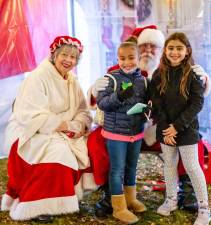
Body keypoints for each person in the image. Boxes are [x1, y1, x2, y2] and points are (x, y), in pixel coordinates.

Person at [88, 25, 211, 217]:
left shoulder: (175, 71)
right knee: (97, 140)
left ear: (161, 50)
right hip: (123, 128)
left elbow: (195, 99)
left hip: (158, 129)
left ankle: (186, 191)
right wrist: (95, 88)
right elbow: (100, 99)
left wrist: (204, 79)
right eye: (143, 46)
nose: (147, 51)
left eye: (152, 47)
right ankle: (110, 191)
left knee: (195, 144)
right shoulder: (119, 69)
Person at [0, 36, 97, 222]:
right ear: (54, 55)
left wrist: (77, 126)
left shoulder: (72, 79)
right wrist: (65, 126)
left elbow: (83, 110)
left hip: (63, 130)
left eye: (73, 57)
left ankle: (61, 199)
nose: (69, 60)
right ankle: (37, 204)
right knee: (57, 153)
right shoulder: (38, 77)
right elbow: (30, 115)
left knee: (89, 145)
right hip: (32, 130)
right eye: (64, 55)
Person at [150, 32, 211, 225]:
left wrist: (177, 127)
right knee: (169, 164)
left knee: (192, 166)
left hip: (186, 129)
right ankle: (171, 199)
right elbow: (156, 103)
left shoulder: (193, 73)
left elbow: (197, 103)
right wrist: (166, 128)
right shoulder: (158, 73)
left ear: (187, 51)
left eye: (179, 48)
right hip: (165, 128)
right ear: (165, 50)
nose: (174, 52)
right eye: (171, 48)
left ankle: (204, 208)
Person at [96, 38, 148, 224]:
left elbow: (147, 103)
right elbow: (102, 103)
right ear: (117, 58)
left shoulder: (143, 80)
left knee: (131, 167)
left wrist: (148, 108)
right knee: (117, 170)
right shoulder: (110, 79)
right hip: (116, 133)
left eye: (131, 58)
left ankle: (131, 199)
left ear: (139, 57)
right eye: (122, 58)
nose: (127, 62)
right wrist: (118, 96)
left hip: (136, 132)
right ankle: (119, 207)